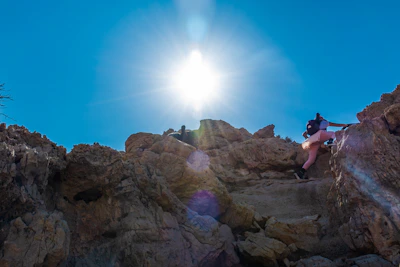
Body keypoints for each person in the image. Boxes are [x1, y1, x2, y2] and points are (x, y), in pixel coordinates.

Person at [295, 113, 349, 180]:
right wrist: (345, 125)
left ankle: (300, 173)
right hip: (320, 135)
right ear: (321, 118)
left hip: (312, 141)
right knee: (333, 133)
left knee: (311, 159)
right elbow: (335, 124)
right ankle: (330, 142)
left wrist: (309, 139)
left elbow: (304, 134)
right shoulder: (324, 122)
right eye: (322, 117)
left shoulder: (313, 126)